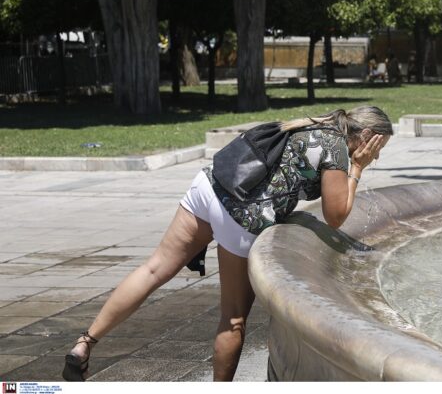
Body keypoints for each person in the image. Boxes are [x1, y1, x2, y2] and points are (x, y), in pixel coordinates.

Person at [62, 106, 393, 382]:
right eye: (379, 149)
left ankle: (85, 343)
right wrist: (358, 167)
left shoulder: (314, 123)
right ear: (368, 137)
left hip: (210, 186)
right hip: (241, 214)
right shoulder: (335, 146)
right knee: (233, 318)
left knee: (153, 269)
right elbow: (336, 215)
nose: (377, 158)